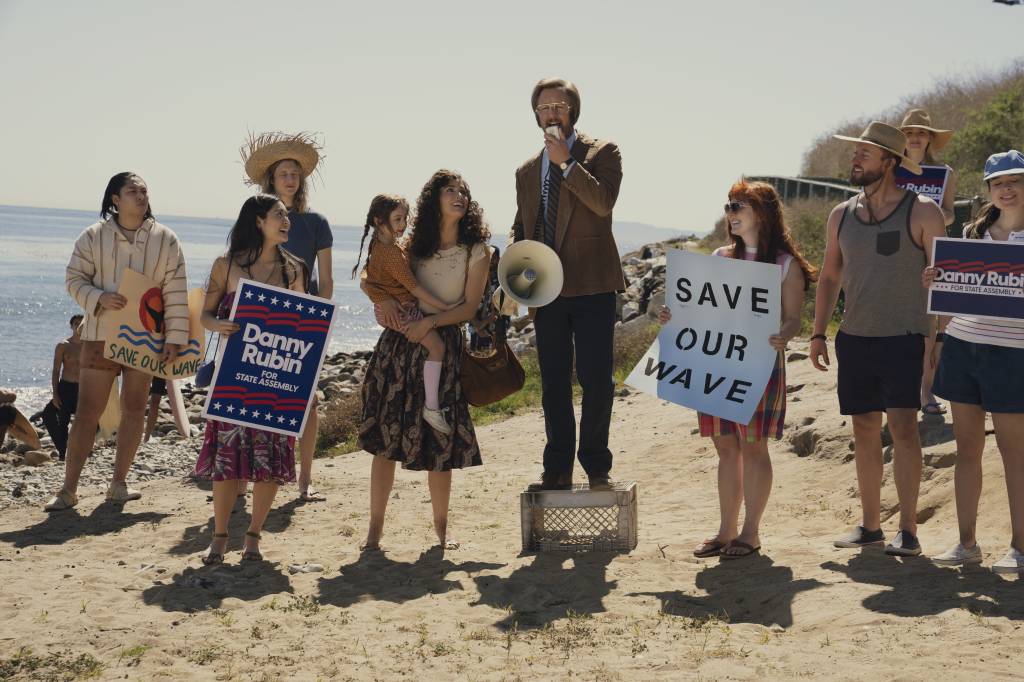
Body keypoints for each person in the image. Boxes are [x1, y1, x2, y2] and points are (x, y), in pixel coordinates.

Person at [657, 181, 816, 559]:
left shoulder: (784, 263)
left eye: (738, 206)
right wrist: (672, 316)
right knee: (725, 447)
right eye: (728, 206)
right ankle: (726, 531)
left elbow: (794, 319)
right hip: (717, 361)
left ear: (761, 213)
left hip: (759, 362)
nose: (730, 214)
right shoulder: (719, 256)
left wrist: (783, 335)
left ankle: (751, 533)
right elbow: (699, 308)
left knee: (753, 446)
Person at [809, 122, 947, 556]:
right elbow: (830, 275)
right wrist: (817, 333)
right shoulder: (840, 214)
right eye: (856, 154)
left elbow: (944, 279)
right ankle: (870, 526)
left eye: (865, 154)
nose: (855, 160)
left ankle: (908, 530)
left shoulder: (923, 211)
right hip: (854, 338)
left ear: (889, 162)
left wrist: (935, 339)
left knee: (904, 430)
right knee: (864, 429)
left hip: (905, 338)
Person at [359, 170, 492, 551]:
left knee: (440, 446)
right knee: (386, 442)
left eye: (463, 191)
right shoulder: (413, 245)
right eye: (450, 190)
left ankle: (442, 530)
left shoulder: (478, 251)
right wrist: (381, 303)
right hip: (400, 344)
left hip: (442, 344)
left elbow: (467, 308)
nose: (459, 195)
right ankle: (374, 531)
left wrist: (429, 323)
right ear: (433, 199)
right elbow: (375, 277)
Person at [45, 172, 189, 511]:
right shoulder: (93, 236)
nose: (140, 196)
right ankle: (68, 490)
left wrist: (175, 336)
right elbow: (73, 279)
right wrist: (99, 297)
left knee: (135, 409)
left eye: (144, 191)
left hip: (145, 338)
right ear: (115, 199)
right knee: (86, 413)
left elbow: (176, 290)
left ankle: (119, 484)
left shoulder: (166, 239)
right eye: (132, 191)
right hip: (98, 335)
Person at [510, 77, 625, 491]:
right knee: (554, 384)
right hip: (546, 292)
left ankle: (597, 466)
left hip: (594, 285)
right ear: (535, 115)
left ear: (573, 111)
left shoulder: (601, 153)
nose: (551, 114)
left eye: (559, 106)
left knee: (597, 381)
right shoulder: (525, 170)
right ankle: (557, 469)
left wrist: (566, 164)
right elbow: (522, 227)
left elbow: (602, 203)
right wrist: (510, 272)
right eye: (544, 108)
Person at [925, 150, 1024, 574]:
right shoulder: (970, 232)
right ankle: (968, 543)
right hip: (963, 347)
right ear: (988, 189)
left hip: (1013, 354)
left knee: (1013, 452)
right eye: (999, 181)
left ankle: (1019, 548)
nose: (1007, 187)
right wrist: (935, 294)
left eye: (1016, 180)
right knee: (967, 449)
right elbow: (953, 292)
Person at [194, 194, 307, 564]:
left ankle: (254, 536)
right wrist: (219, 325)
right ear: (258, 221)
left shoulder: (295, 270)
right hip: (233, 377)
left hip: (275, 380)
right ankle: (220, 536)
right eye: (279, 215)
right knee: (227, 459)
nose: (286, 220)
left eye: (287, 215)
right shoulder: (226, 266)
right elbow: (206, 316)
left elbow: (306, 326)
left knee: (271, 460)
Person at [242, 132, 332, 503]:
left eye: (295, 172)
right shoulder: (254, 219)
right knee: (256, 400)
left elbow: (324, 282)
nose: (291, 178)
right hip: (260, 320)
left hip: (301, 321)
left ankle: (305, 478)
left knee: (307, 402)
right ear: (271, 180)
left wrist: (314, 321)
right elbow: (241, 267)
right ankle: (248, 477)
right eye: (283, 173)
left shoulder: (316, 223)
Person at [352, 194, 461, 434]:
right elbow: (415, 288)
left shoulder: (387, 243)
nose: (402, 225)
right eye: (397, 219)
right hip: (400, 311)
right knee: (437, 347)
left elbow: (366, 277)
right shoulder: (389, 252)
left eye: (405, 219)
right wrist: (446, 307)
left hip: (397, 306)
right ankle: (431, 407)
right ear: (379, 221)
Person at [899, 108, 959, 416]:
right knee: (905, 324)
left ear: (930, 138)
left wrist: (931, 214)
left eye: (921, 133)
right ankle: (905, 390)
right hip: (896, 256)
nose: (915, 138)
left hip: (933, 254)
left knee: (938, 323)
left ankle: (927, 388)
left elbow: (949, 212)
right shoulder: (888, 170)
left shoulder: (944, 173)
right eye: (909, 133)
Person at [40, 314, 83, 460]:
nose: (78, 326)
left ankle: (78, 448)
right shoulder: (63, 345)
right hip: (65, 387)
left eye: (81, 323)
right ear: (71, 326)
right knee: (51, 416)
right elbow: (56, 371)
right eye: (75, 323)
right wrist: (55, 394)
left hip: (83, 389)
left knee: (90, 421)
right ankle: (63, 453)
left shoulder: (90, 345)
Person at [143, 378, 166, 443]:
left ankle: (146, 436)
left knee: (155, 402)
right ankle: (144, 436)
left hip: (160, 371)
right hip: (158, 370)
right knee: (154, 402)